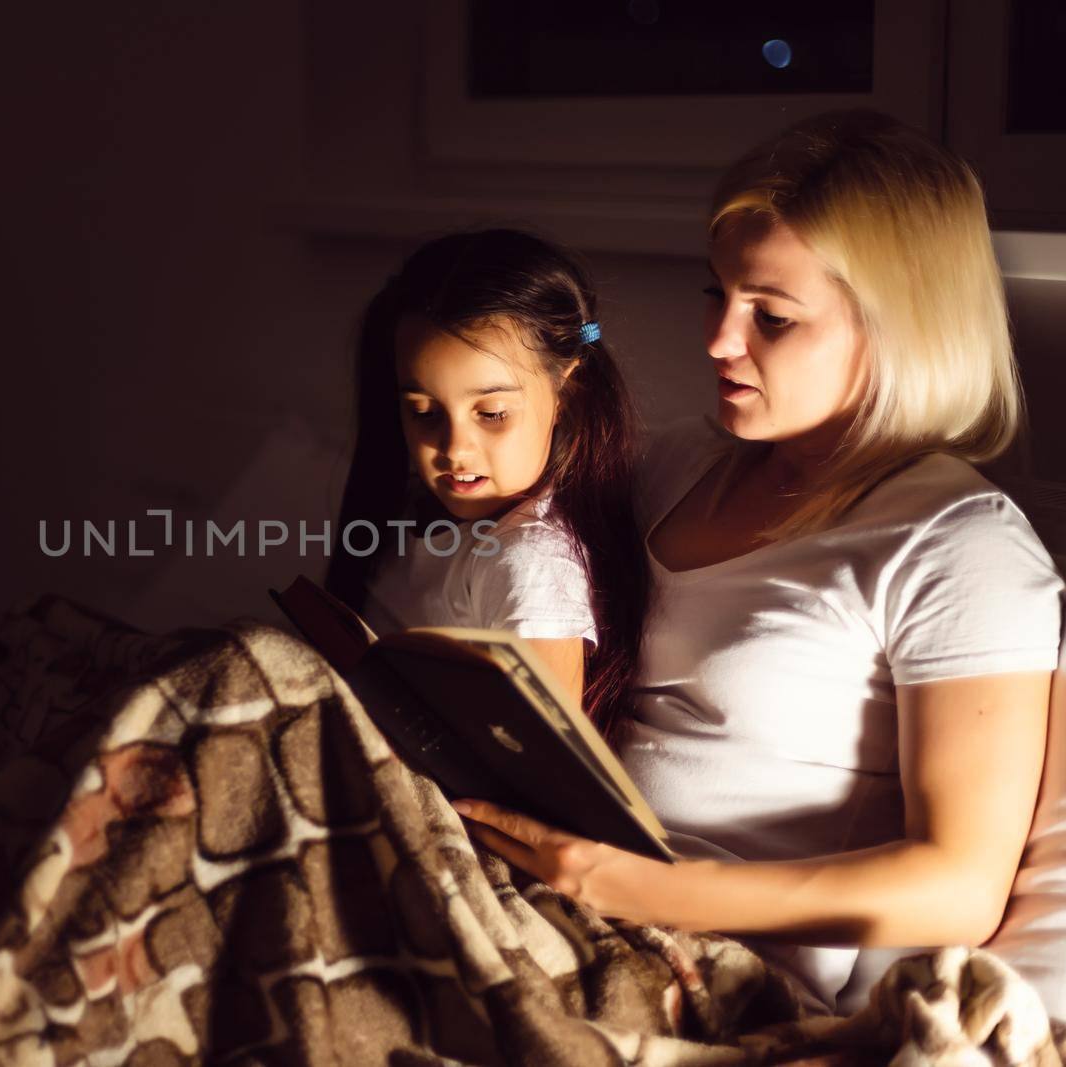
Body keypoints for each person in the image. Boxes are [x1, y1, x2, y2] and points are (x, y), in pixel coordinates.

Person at [452, 110, 1064, 1015]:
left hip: (708, 963)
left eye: (771, 315)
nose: (718, 340)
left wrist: (632, 887)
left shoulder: (957, 545)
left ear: (898, 329)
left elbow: (959, 889)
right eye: (717, 294)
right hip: (548, 889)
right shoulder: (673, 466)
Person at [326, 229, 648, 740]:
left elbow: (548, 770)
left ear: (567, 389)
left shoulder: (531, 560)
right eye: (424, 413)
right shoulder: (416, 515)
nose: (455, 449)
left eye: (493, 413)